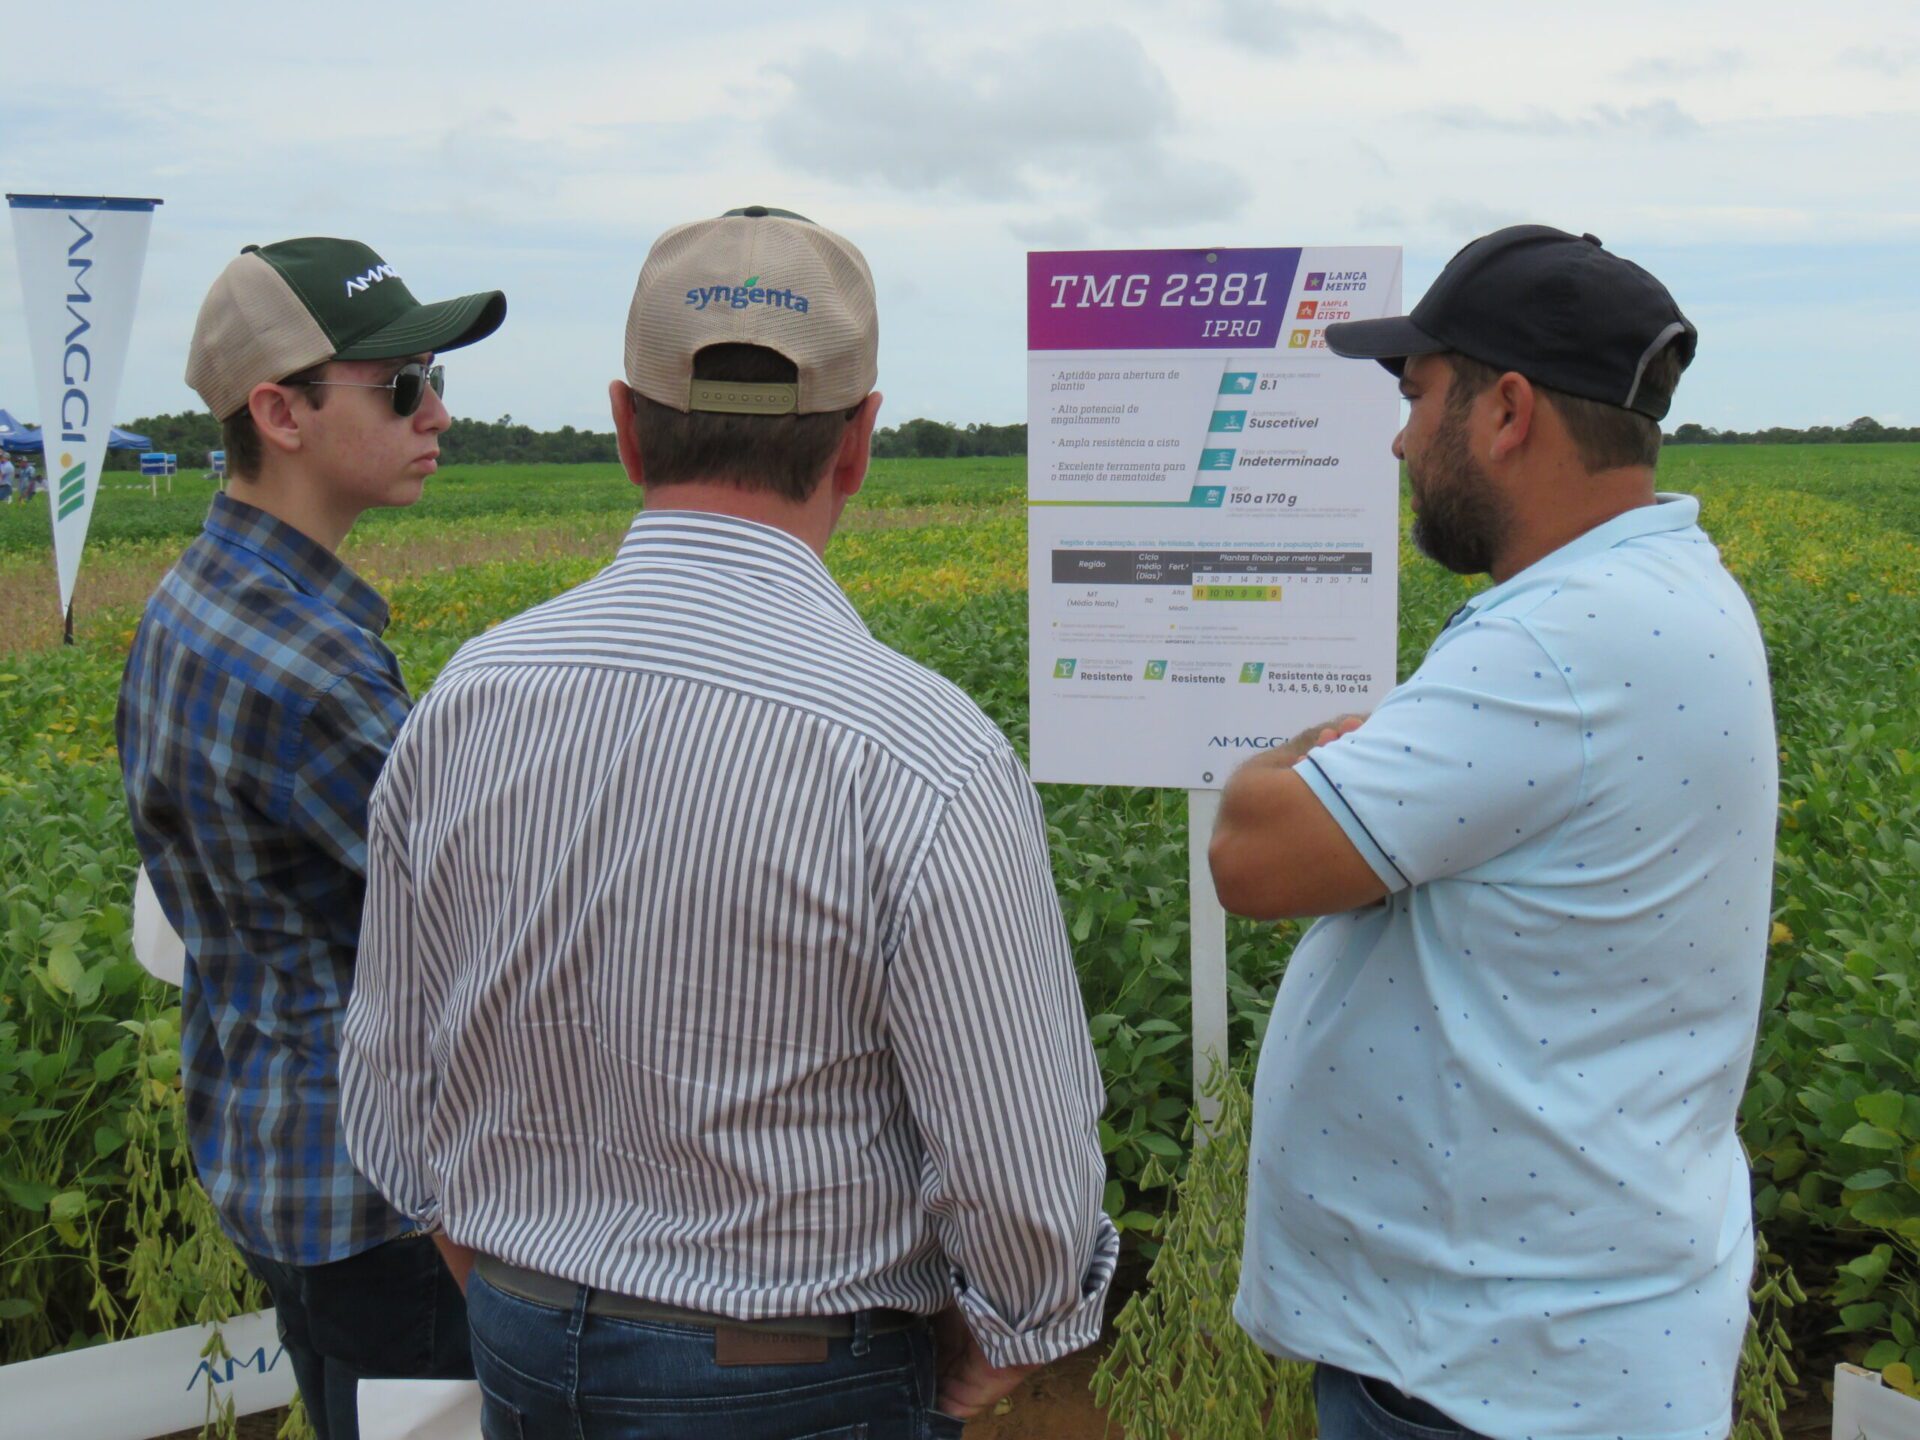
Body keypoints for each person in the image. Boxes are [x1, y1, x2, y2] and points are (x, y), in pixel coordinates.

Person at [340, 206, 1116, 1439]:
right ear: (858, 440)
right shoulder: (920, 751)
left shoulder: (470, 697)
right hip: (800, 1372)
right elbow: (1019, 1167)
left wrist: (514, 1278)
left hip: (523, 1341)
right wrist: (1019, 1330)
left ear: (624, 426)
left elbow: (390, 1070)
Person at [1209, 226, 1775, 1439]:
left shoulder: (1558, 644)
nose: (1403, 439)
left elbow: (1253, 856)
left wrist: (1298, 754)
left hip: (1495, 1377)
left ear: (1507, 409)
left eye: (1418, 397)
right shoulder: (1665, 591)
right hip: (1552, 1340)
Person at [115, 237, 505, 1440]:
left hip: (273, 1150)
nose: (436, 409)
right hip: (379, 1202)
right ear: (280, 411)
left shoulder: (198, 597)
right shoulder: (300, 665)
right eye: (399, 385)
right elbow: (487, 904)